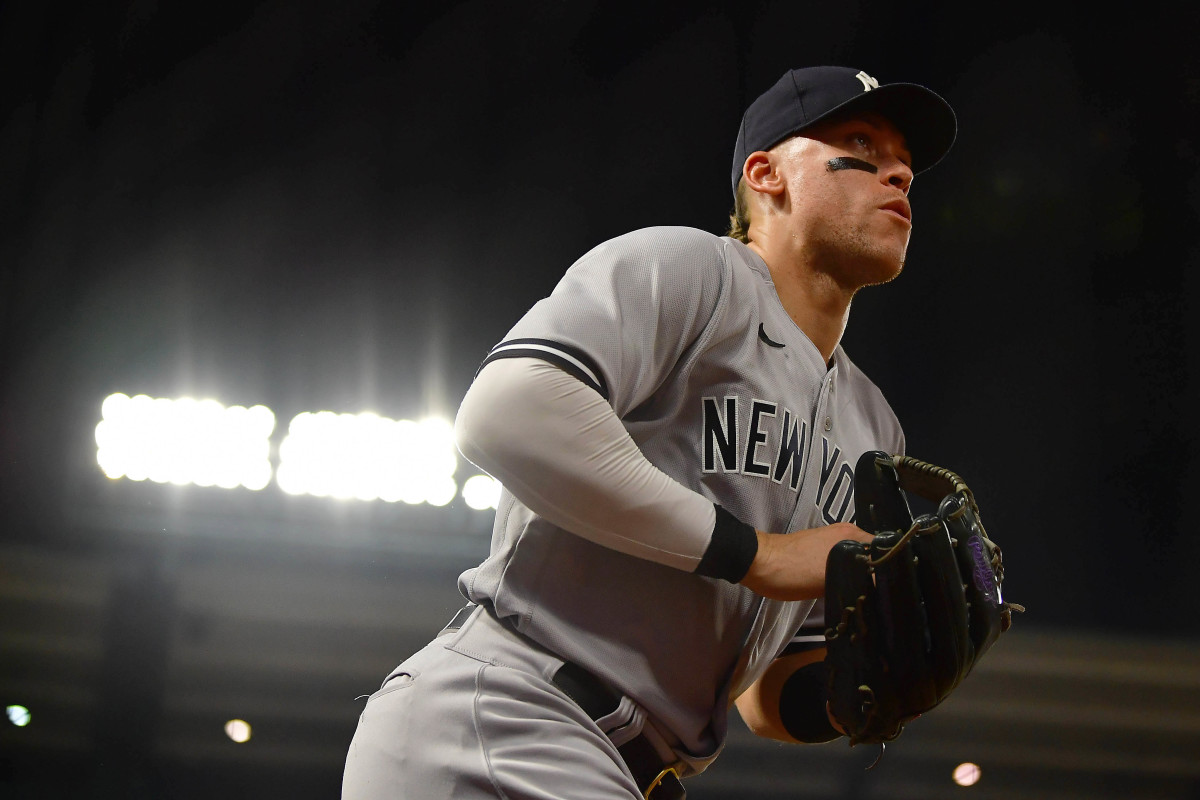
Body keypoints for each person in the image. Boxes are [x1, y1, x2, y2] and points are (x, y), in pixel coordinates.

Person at [341, 65, 957, 800]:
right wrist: (756, 553)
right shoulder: (693, 271)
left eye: (906, 166)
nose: (898, 174)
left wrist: (871, 686)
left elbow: (767, 699)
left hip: (620, 764)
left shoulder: (873, 424)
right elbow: (506, 409)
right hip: (508, 713)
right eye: (860, 145)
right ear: (767, 176)